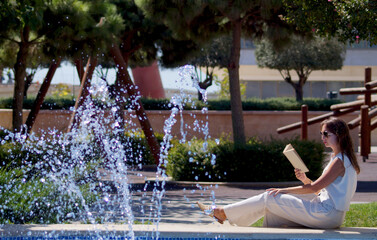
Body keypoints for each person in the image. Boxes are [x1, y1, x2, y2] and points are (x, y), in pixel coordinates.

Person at [198, 117, 360, 229]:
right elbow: (320, 190)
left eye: (326, 134)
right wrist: (304, 179)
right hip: (329, 215)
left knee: (270, 197)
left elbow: (314, 188)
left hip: (326, 214)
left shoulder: (340, 161)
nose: (322, 137)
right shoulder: (340, 159)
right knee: (273, 214)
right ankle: (228, 217)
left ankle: (222, 213)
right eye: (321, 134)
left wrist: (282, 190)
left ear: (339, 135)